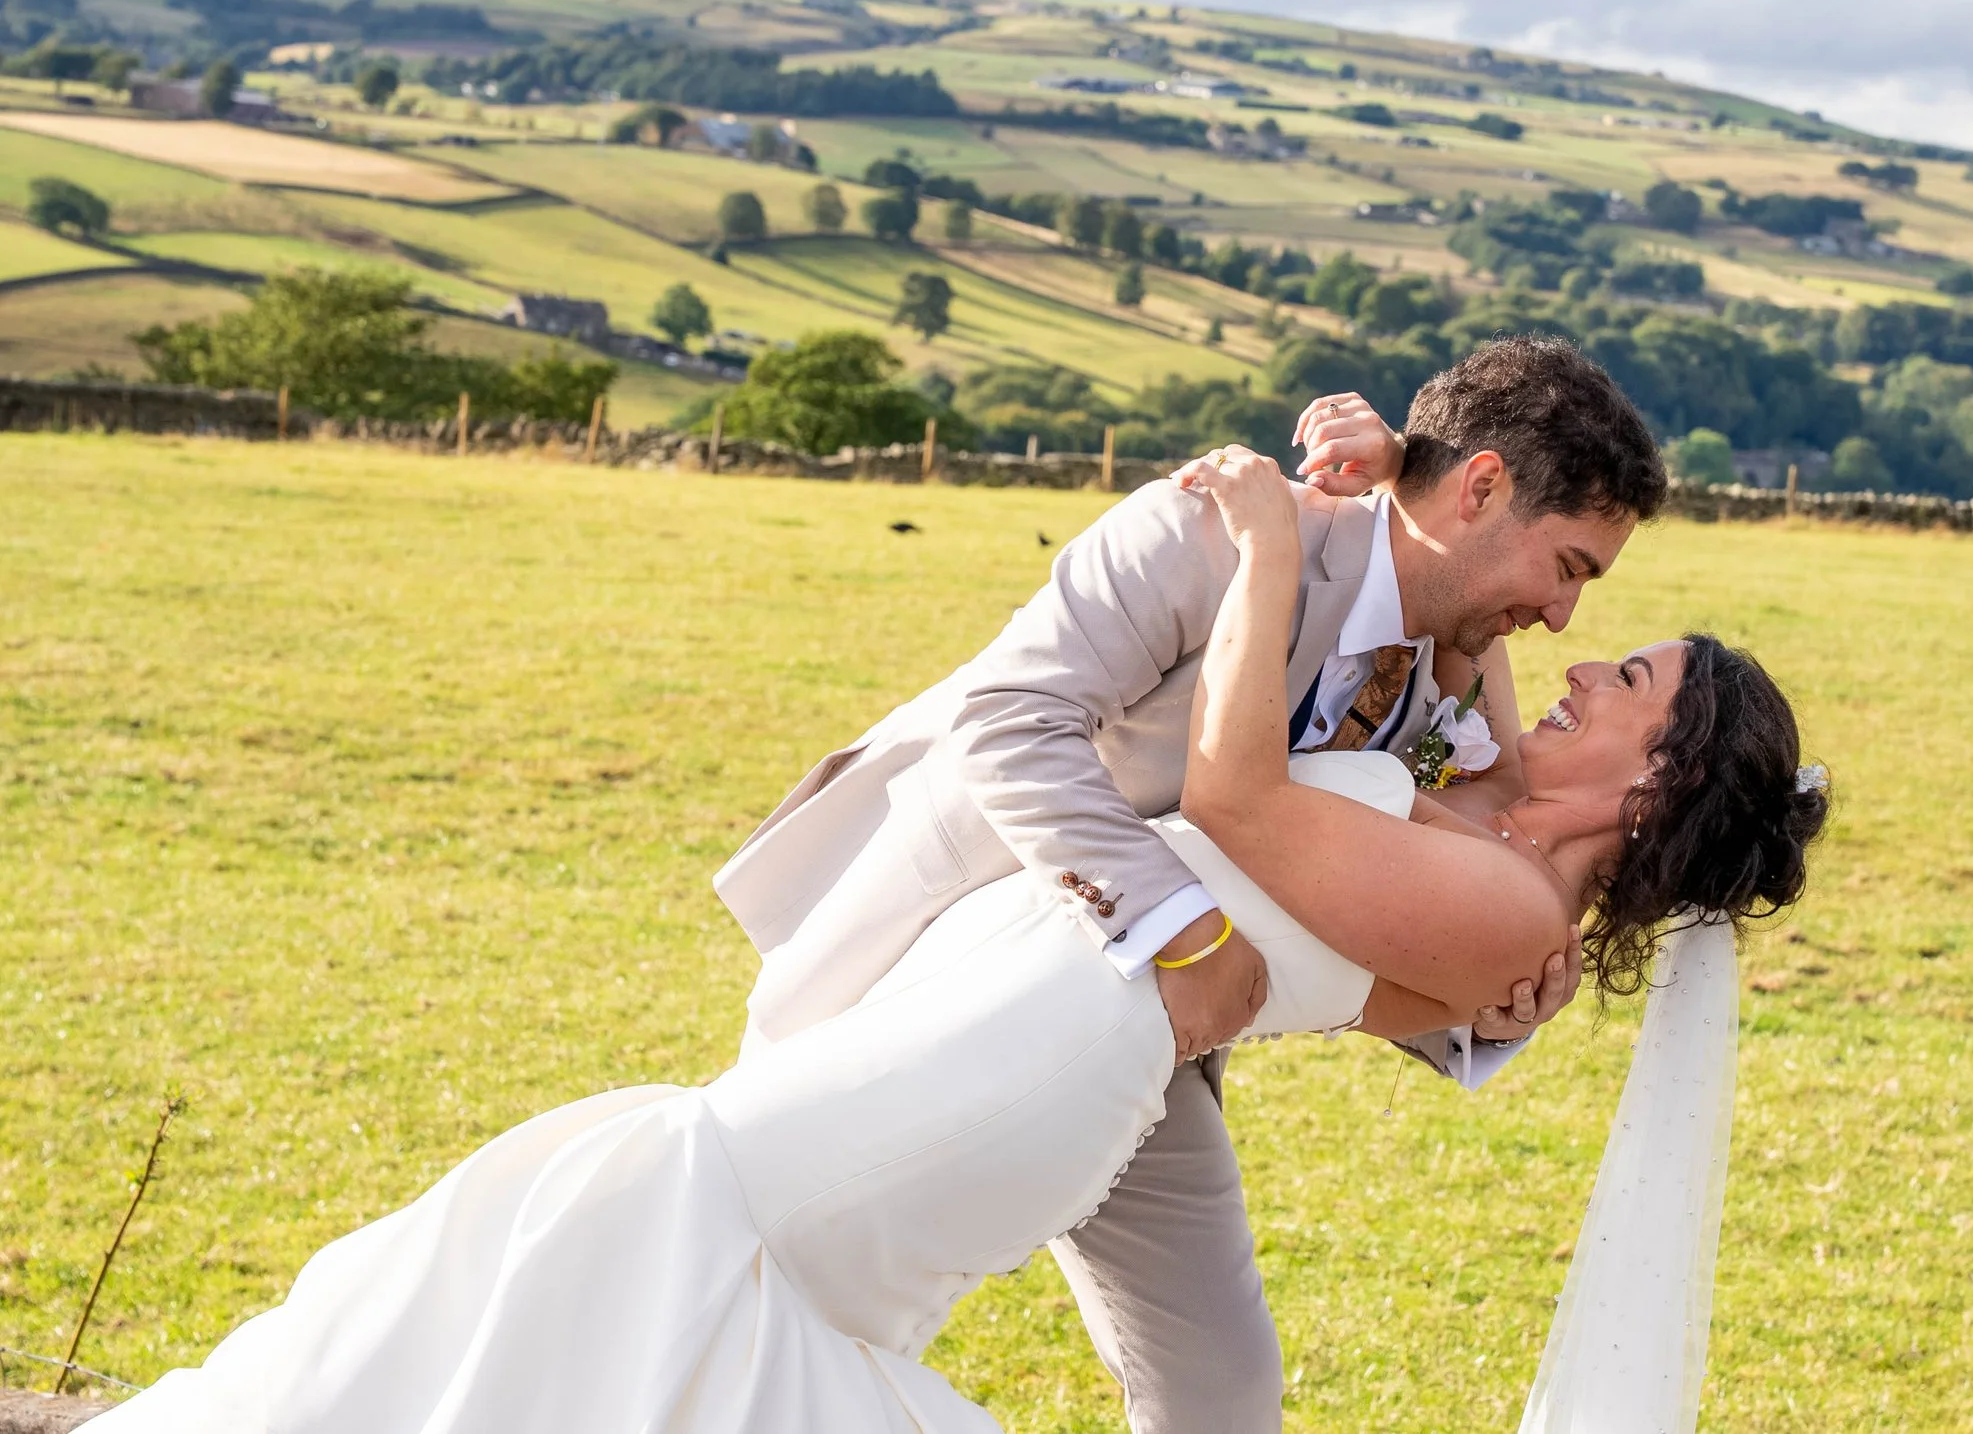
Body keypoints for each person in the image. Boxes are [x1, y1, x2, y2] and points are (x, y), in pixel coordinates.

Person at [90, 438, 1824, 1434]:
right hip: (1038, 975)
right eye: (1586, 592)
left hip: (1061, 1035)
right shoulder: (1495, 820)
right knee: (710, 1237)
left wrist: (1274, 541)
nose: (1583, 649)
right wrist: (1396, 512)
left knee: (702, 1233)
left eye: (1632, 668)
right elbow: (1465, 670)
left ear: (1659, 771)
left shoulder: (1507, 909)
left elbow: (1232, 796)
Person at [714, 338, 1670, 1432]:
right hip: (924, 960)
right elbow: (1008, 722)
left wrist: (1478, 998)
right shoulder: (1208, 533)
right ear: (1484, 485)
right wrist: (1186, 936)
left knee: (1217, 1389)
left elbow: (1366, 881)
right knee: (781, 1280)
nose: (1562, 620)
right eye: (1568, 567)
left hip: (1144, 1043)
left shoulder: (1443, 664)